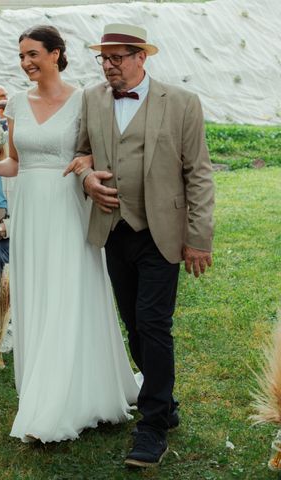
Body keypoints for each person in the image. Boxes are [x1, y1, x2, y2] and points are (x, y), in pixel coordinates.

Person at [0, 25, 139, 444]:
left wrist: (88, 155)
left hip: (69, 207)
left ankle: (69, 399)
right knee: (38, 294)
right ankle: (41, 388)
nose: (26, 63)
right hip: (30, 211)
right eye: (21, 56)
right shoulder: (17, 102)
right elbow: (15, 163)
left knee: (70, 291)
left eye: (33, 54)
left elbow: (99, 146)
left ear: (56, 54)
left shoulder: (85, 98)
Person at [73, 23, 215, 468]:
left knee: (154, 323)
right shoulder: (92, 98)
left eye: (118, 58)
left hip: (162, 233)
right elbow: (81, 155)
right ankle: (164, 401)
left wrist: (197, 238)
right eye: (104, 58)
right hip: (115, 231)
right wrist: (87, 180)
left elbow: (199, 173)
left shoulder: (182, 102)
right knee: (134, 323)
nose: (109, 66)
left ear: (141, 58)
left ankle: (151, 426)